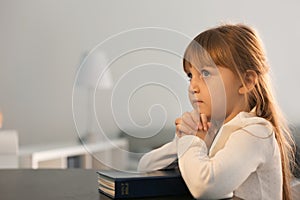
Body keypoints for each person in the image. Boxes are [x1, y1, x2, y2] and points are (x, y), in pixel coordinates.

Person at [138, 24, 295, 200]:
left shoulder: (255, 133)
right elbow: (146, 167)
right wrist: (183, 138)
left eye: (205, 73)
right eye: (190, 75)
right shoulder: (214, 130)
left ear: (246, 82)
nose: (193, 86)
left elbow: (205, 187)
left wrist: (191, 141)